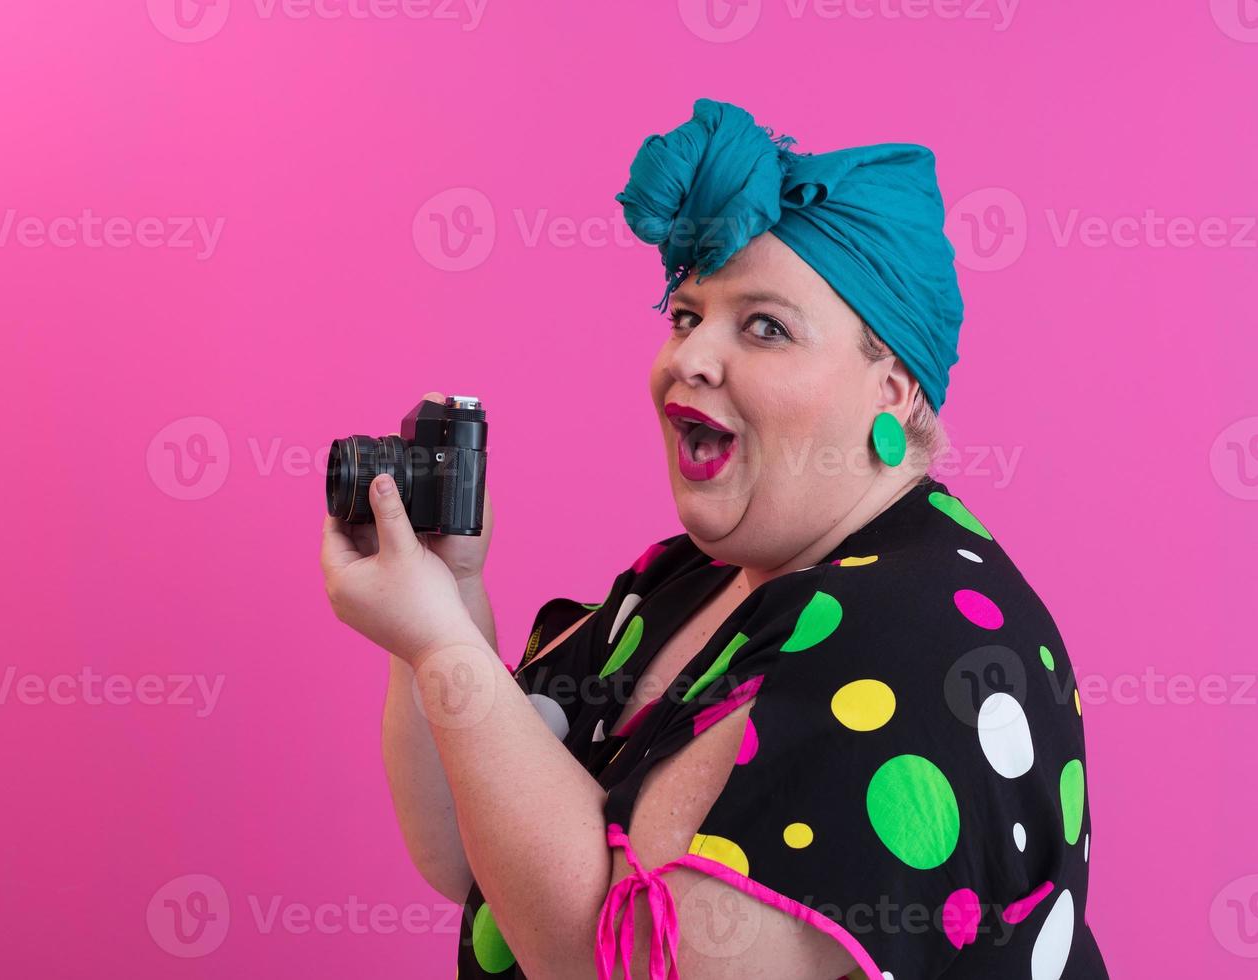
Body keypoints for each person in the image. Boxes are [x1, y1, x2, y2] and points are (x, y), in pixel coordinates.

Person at [321, 98, 1108, 979]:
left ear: (890, 390)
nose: (690, 358)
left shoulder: (923, 639)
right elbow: (470, 856)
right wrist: (446, 599)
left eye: (765, 326)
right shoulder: (689, 578)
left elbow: (615, 962)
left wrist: (442, 650)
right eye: (688, 315)